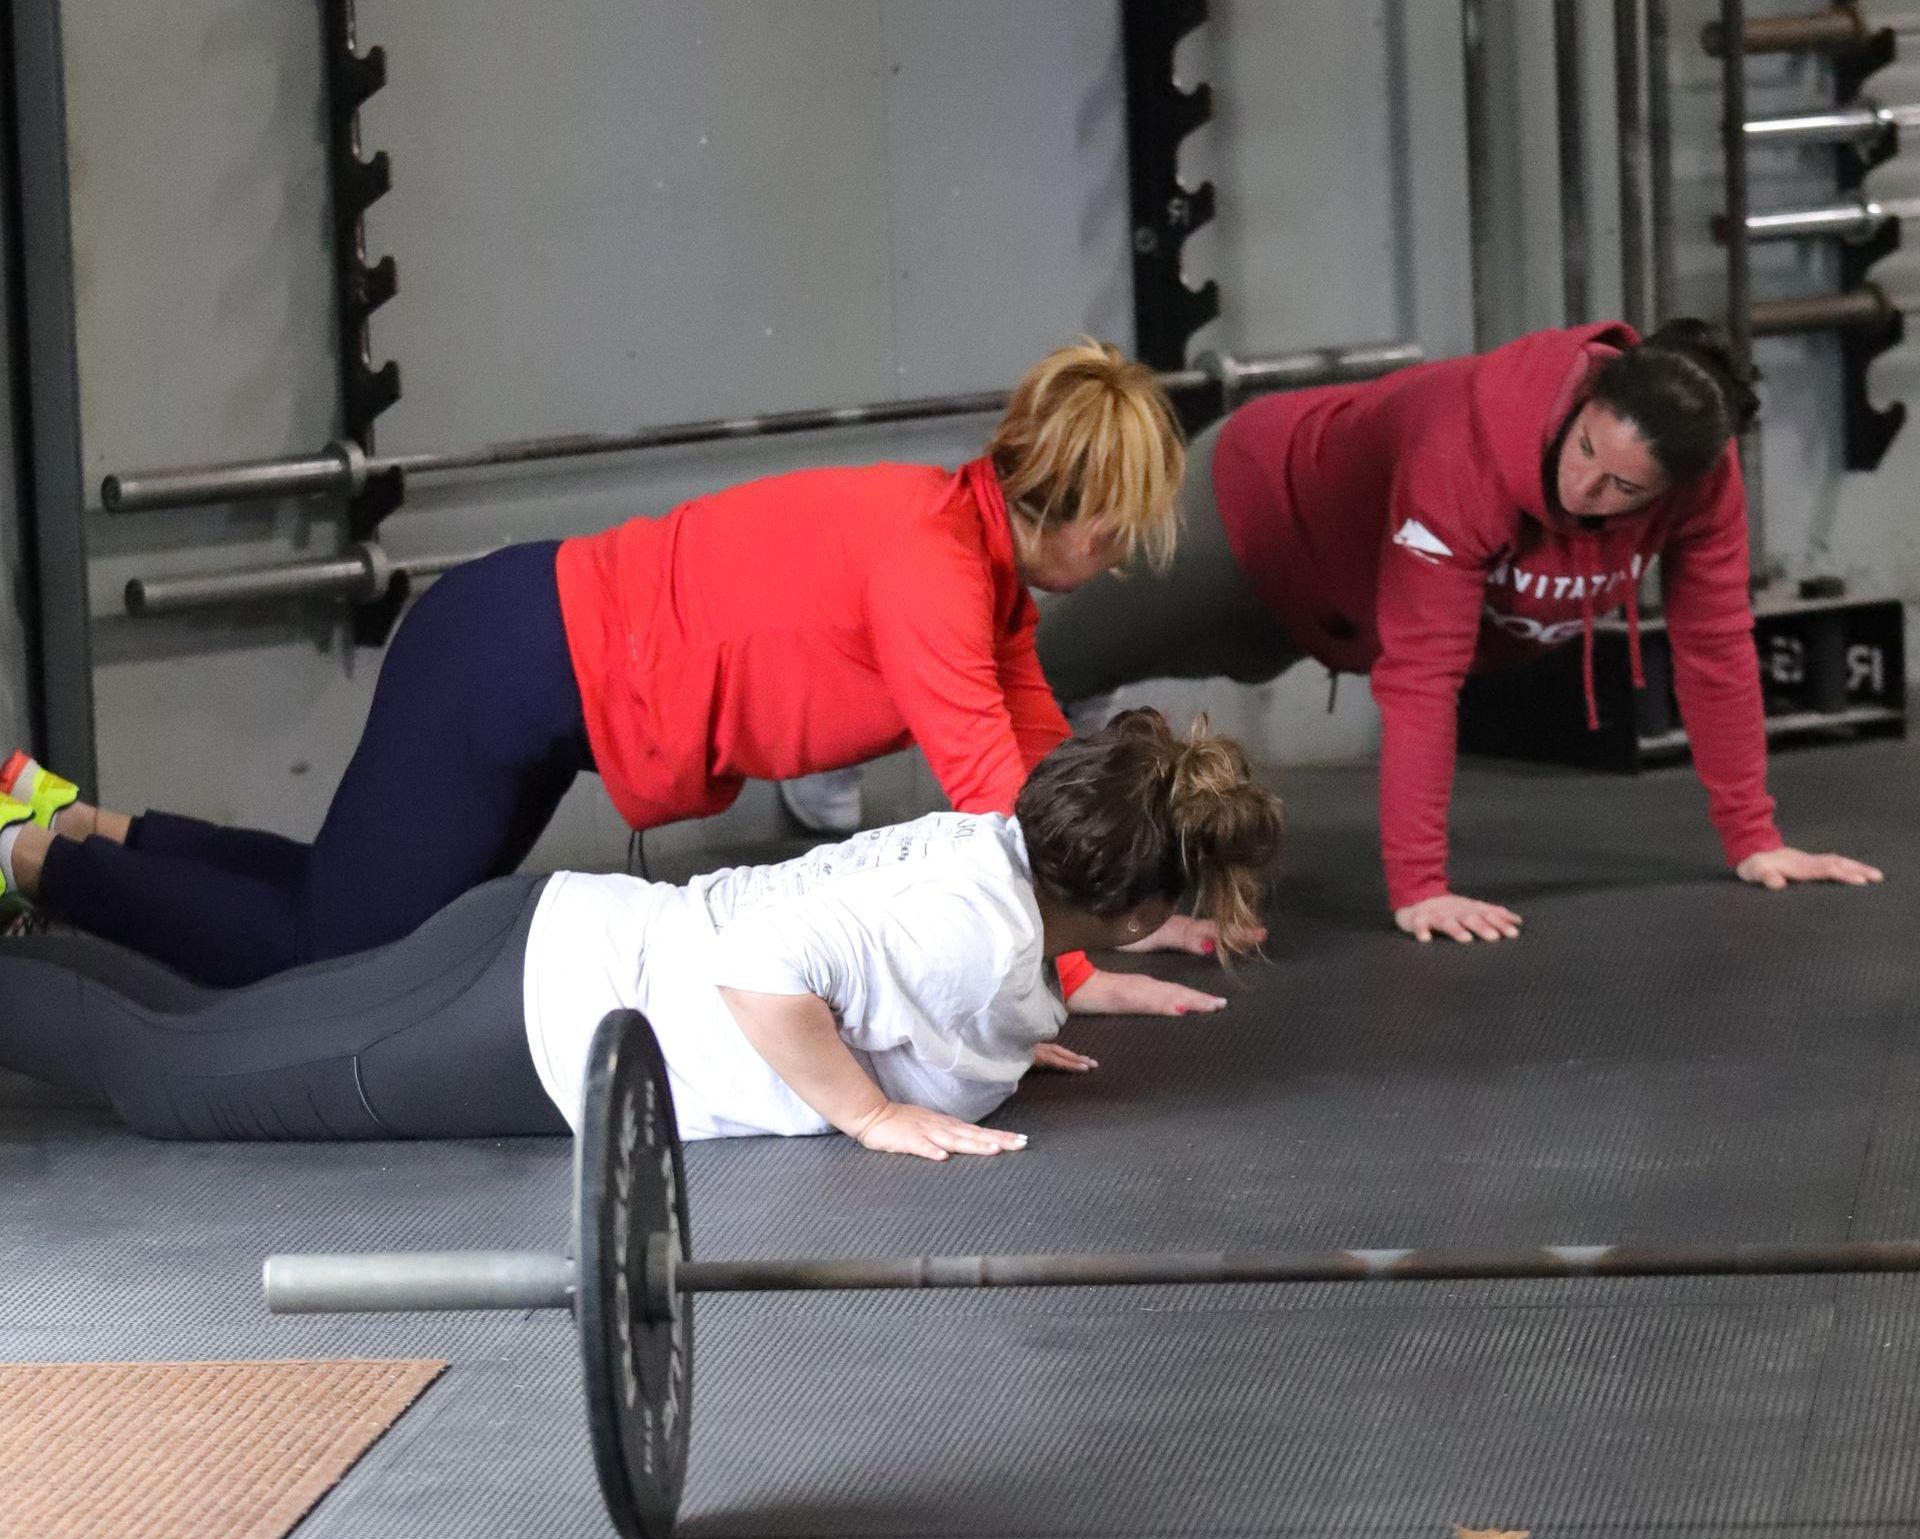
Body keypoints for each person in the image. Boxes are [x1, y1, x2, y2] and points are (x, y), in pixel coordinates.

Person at [0, 340, 1226, 1007]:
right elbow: (985, 808)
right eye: (1117, 533)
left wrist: (1138, 896)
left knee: (350, 909)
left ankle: (71, 821)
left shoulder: (975, 559)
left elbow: (1036, 764)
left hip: (528, 665)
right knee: (325, 961)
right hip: (511, 662)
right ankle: (22, 856)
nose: (1119, 562)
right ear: (1062, 504)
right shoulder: (932, 569)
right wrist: (1069, 971)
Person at [0, 712, 1283, 1161]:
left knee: (208, 1033)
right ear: (1128, 910)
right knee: (167, 1080)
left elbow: (882, 962)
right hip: (523, 1025)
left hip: (543, 937)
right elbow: (763, 973)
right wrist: (871, 1114)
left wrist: (1003, 1038)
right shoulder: (981, 947)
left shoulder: (981, 849)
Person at [1029, 319, 1882, 943]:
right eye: (1586, 449)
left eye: (1625, 488)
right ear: (1584, 401)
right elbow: (1425, 674)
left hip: (1331, 615)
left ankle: (1083, 709)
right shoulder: (1465, 444)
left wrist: (1755, 837)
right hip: (1250, 517)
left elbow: (1717, 647)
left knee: (1230, 662)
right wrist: (1421, 887)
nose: (1587, 491)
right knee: (1039, 656)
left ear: (1676, 487)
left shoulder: (1704, 485)